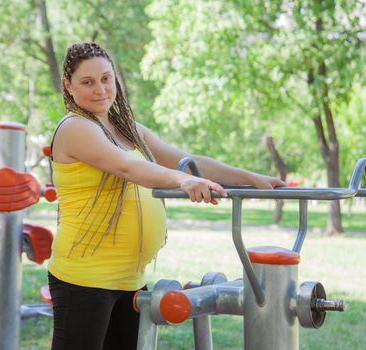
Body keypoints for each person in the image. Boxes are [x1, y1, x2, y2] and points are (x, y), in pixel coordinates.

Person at [47, 42, 285, 350]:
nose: (100, 89)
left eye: (106, 78)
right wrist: (183, 181)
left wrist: (252, 178)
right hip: (85, 281)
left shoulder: (127, 128)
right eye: (87, 82)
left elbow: (185, 160)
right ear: (68, 85)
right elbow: (128, 167)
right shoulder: (75, 127)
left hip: (129, 280)